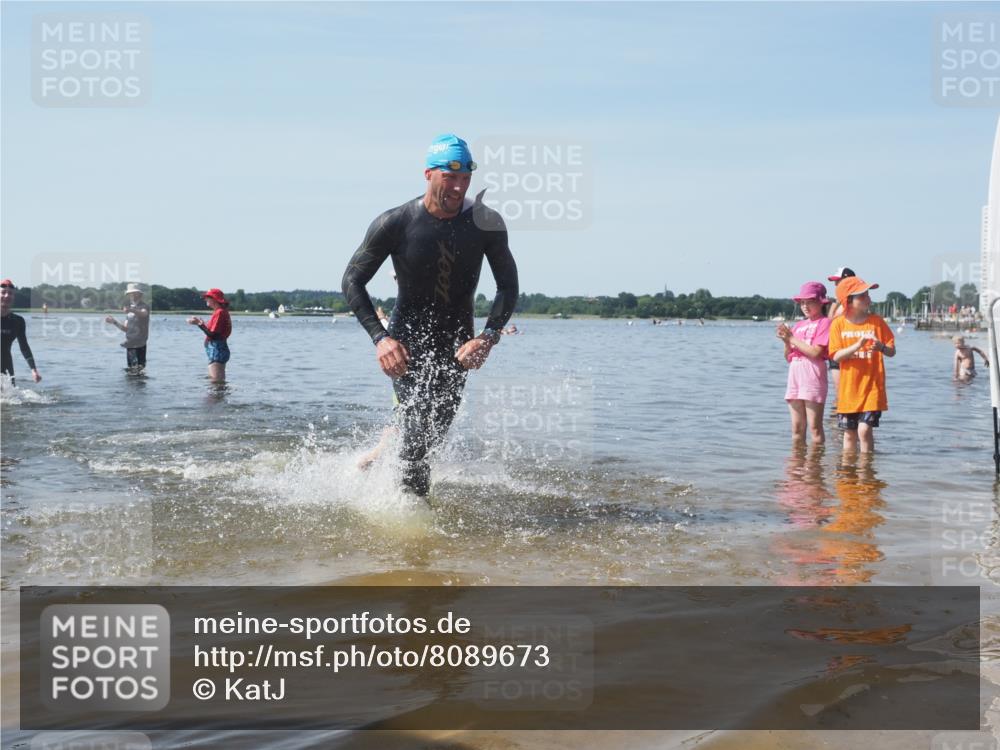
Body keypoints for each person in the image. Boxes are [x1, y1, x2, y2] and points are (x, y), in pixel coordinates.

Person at [342, 133, 519, 497]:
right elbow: (352, 280)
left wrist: (487, 338)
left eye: (466, 177)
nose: (458, 187)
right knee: (418, 443)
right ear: (428, 174)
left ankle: (393, 483)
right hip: (405, 345)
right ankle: (412, 530)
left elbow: (508, 287)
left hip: (458, 348)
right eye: (449, 177)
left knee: (430, 437)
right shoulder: (395, 222)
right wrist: (381, 338)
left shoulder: (487, 223)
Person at [828, 277, 895, 453]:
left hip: (872, 388)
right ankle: (848, 475)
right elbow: (836, 356)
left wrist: (880, 347)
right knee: (849, 434)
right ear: (848, 300)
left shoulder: (877, 322)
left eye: (868, 294)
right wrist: (857, 345)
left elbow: (891, 351)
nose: (868, 298)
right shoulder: (838, 324)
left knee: (864, 431)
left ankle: (866, 473)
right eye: (862, 295)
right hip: (849, 390)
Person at [776, 282, 832, 445]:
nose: (805, 306)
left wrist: (792, 338)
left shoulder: (824, 322)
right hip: (795, 376)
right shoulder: (799, 325)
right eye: (802, 302)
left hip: (812, 376)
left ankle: (815, 468)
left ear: (821, 302)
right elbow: (788, 357)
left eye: (810, 301)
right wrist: (786, 342)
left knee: (815, 428)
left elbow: (816, 352)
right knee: (797, 428)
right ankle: (797, 466)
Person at [826, 267, 856, 410]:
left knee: (845, 393)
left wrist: (837, 302)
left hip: (849, 349)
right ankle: (836, 425)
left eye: (838, 281)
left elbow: (831, 320)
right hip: (837, 350)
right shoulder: (839, 302)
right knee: (839, 393)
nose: (835, 285)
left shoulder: (854, 302)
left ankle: (842, 424)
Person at [0, 279, 41, 385]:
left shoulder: (17, 321)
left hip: (6, 369)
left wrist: (33, 370)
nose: (6, 296)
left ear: (13, 297)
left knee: (10, 400)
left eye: (10, 293)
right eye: (3, 292)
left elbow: (24, 347)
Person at [187, 288, 232, 383]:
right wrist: (201, 323)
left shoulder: (219, 312)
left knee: (216, 383)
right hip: (219, 348)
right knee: (218, 382)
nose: (205, 299)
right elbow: (214, 332)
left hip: (217, 349)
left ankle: (218, 397)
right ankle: (221, 397)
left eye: (207, 297)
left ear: (214, 299)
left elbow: (213, 334)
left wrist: (199, 324)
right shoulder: (220, 312)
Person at [105, 282, 150, 372]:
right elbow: (126, 329)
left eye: (134, 293)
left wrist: (131, 310)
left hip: (140, 343)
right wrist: (114, 322)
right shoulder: (130, 310)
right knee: (131, 370)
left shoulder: (144, 306)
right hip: (130, 343)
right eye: (130, 293)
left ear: (140, 294)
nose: (132, 295)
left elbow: (144, 314)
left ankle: (139, 384)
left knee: (139, 369)